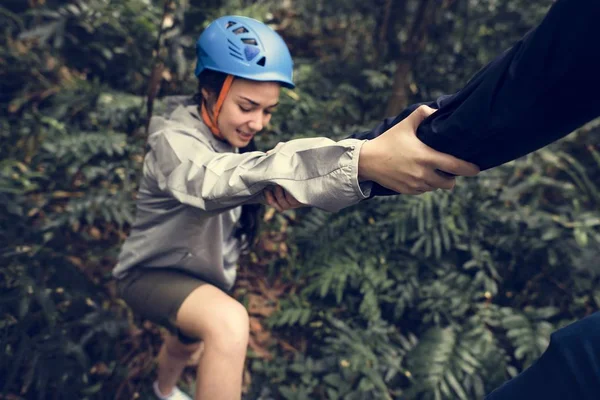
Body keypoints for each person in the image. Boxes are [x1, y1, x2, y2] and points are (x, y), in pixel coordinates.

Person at [113, 16, 479, 400]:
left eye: (268, 111)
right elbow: (211, 179)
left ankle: (162, 391)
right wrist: (358, 162)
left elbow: (246, 173)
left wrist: (283, 182)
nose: (257, 122)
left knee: (186, 343)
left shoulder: (227, 134)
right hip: (149, 273)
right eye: (247, 106)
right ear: (209, 90)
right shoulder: (174, 140)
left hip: (202, 275)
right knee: (227, 322)